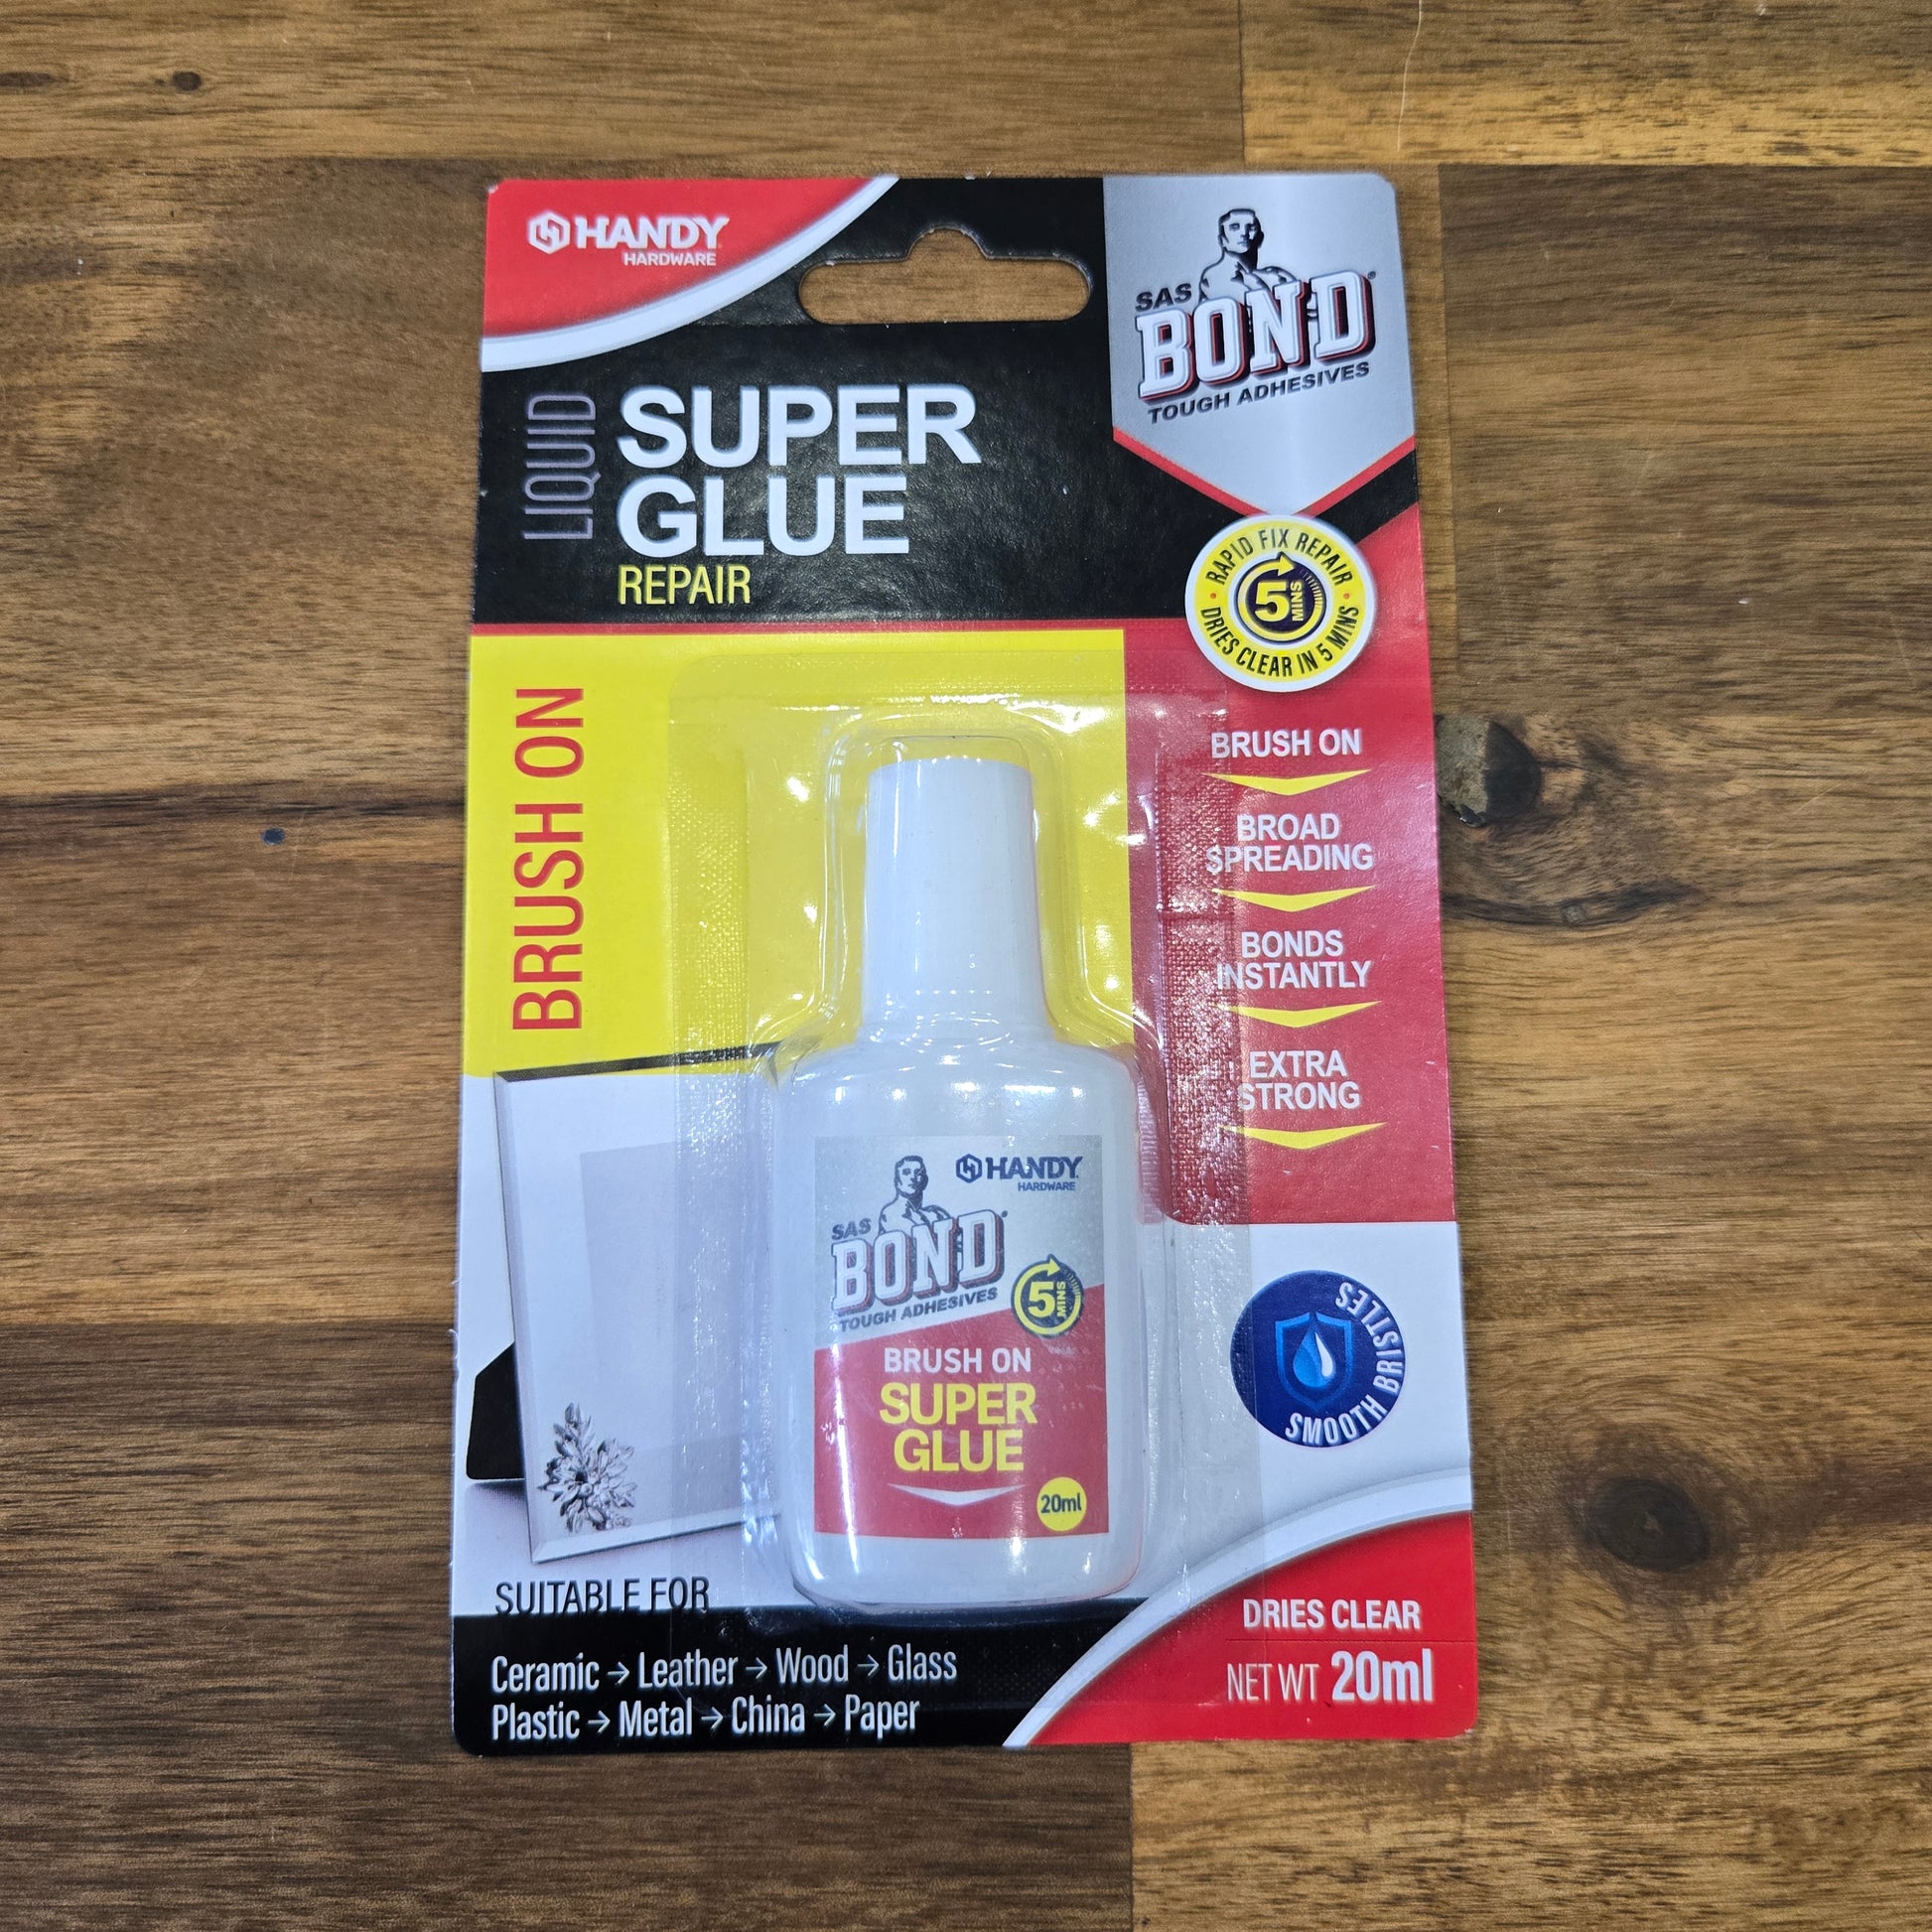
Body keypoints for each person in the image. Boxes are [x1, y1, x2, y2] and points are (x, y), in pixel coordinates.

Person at [1199, 207, 1294, 300]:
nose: (1244, 233)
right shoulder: (1213, 277)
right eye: (1235, 227)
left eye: (1251, 227)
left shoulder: (1277, 276)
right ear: (1222, 239)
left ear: (1260, 238)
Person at [878, 1155, 949, 1233]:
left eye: (918, 1173)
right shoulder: (890, 1213)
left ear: (925, 1181)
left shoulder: (937, 1213)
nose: (912, 1177)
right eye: (906, 1172)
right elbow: (917, 1237)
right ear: (897, 1181)